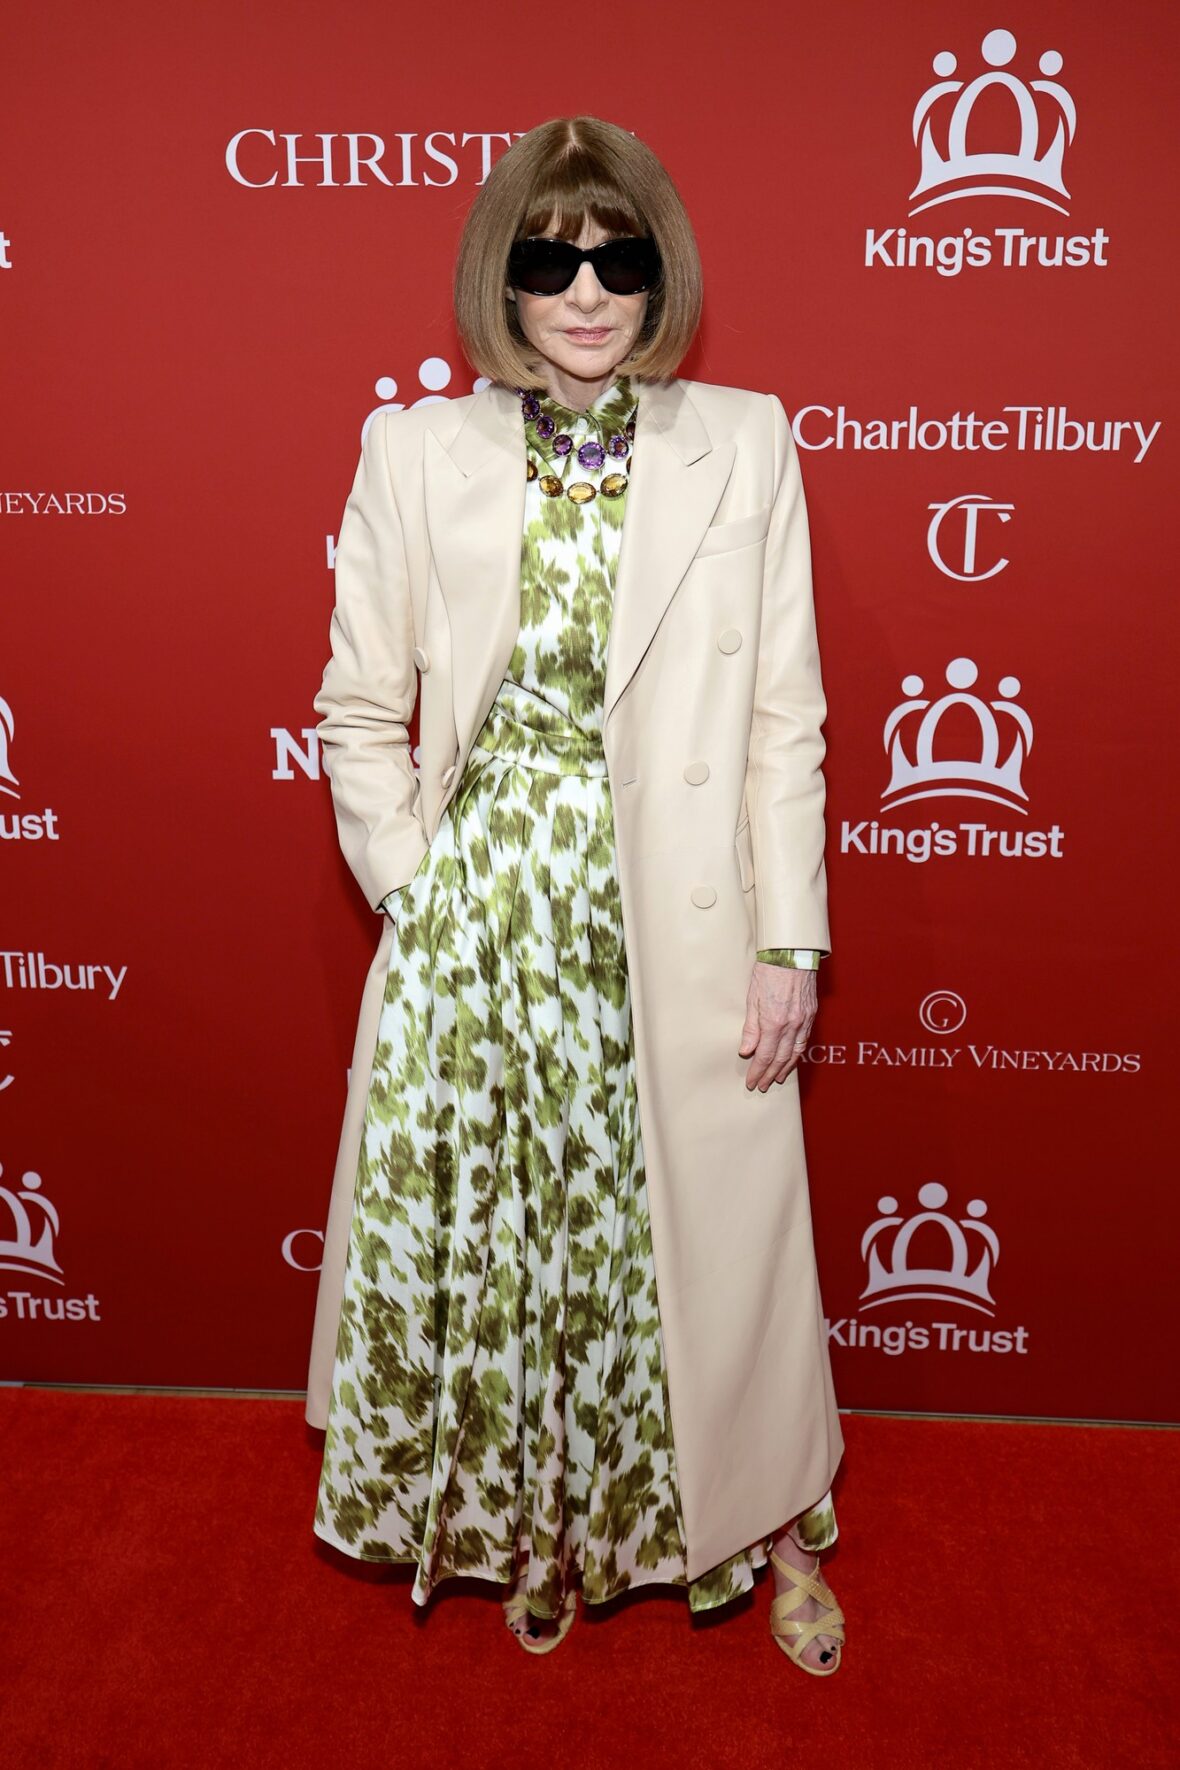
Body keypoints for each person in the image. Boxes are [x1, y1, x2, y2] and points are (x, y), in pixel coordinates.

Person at [304, 115, 846, 1675]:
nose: (589, 292)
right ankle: (542, 1517)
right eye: (551, 260)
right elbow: (359, 711)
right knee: (521, 1232)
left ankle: (766, 1519)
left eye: (621, 258)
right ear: (505, 278)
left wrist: (789, 936)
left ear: (662, 273)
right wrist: (418, 893)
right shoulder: (417, 452)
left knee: (712, 1243)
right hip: (490, 914)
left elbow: (784, 717)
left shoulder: (746, 440)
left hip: (681, 907)